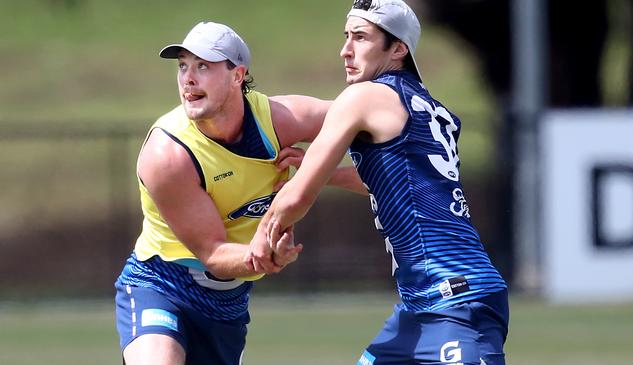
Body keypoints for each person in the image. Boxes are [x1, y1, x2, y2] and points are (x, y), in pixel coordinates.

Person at [249, 1, 510, 364]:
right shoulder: (429, 108)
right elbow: (402, 186)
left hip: (455, 302)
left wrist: (262, 239)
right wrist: (332, 174)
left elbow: (297, 197)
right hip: (418, 308)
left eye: (360, 37)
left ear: (398, 49)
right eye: (346, 37)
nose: (345, 50)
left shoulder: (364, 96)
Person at [114, 21, 360, 365]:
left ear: (237, 75)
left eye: (203, 66)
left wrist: (329, 173)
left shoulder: (279, 121)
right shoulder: (168, 153)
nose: (188, 78)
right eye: (183, 66)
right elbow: (212, 252)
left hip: (228, 301)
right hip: (161, 282)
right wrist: (261, 256)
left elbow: (371, 119)